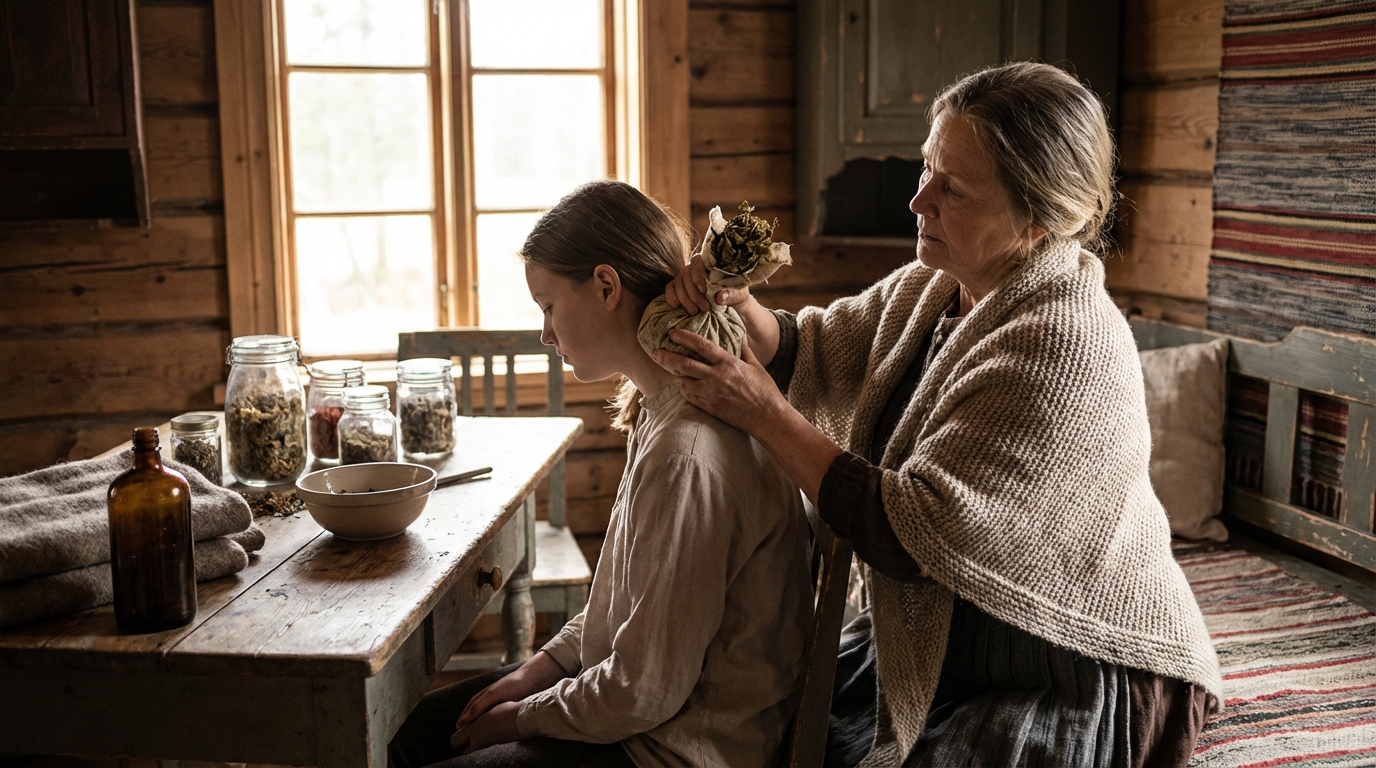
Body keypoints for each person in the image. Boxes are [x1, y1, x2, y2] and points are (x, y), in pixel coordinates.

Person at [653, 61, 1222, 766]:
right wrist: (740, 309)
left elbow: (907, 532)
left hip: (1061, 657)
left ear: (1041, 214)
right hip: (949, 634)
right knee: (765, 714)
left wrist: (766, 415)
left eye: (952, 188)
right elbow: (812, 350)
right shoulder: (935, 285)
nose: (918, 199)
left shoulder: (1063, 343)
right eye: (927, 167)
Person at [388, 180, 815, 768]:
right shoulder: (667, 413)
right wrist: (536, 671)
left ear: (606, 286)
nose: (545, 333)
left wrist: (520, 717)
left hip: (675, 749)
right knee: (412, 730)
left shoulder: (687, 449)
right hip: (641, 710)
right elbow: (626, 606)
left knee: (430, 744)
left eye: (548, 306)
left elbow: (644, 691)